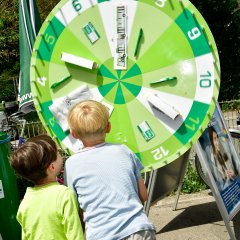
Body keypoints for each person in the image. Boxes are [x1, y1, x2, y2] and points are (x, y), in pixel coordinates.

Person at [65, 100, 156, 240]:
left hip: (101, 235)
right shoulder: (125, 151)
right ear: (108, 127)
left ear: (73, 134)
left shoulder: (71, 164)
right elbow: (143, 195)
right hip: (139, 229)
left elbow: (77, 207)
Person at [9, 134, 84, 240]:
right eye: (58, 153)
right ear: (52, 167)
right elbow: (75, 234)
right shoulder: (64, 195)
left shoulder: (25, 202)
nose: (60, 154)